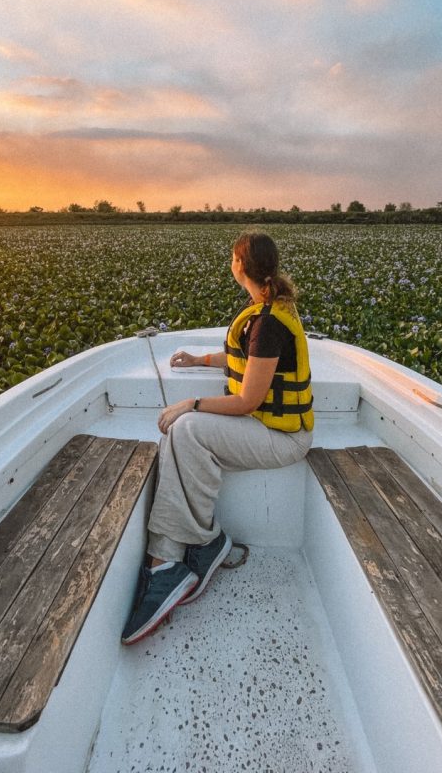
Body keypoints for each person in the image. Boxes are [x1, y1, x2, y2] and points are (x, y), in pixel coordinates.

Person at [121, 231, 314, 645]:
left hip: (283, 438)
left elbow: (248, 400)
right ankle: (174, 556)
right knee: (182, 433)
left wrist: (190, 403)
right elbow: (245, 359)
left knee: (186, 427)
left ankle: (183, 554)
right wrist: (199, 360)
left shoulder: (267, 323)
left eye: (231, 258)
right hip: (266, 428)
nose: (230, 263)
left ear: (240, 266)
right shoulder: (265, 310)